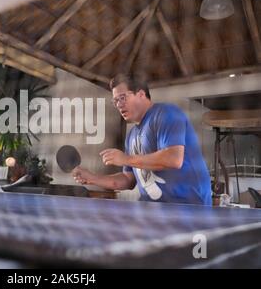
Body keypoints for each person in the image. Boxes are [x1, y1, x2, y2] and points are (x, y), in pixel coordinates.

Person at [72, 75, 212, 205]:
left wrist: (126, 159)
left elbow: (173, 158)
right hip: (155, 213)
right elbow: (128, 180)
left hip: (190, 210)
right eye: (115, 101)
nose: (119, 105)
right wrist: (92, 178)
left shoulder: (167, 113)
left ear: (141, 94)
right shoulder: (131, 136)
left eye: (122, 97)